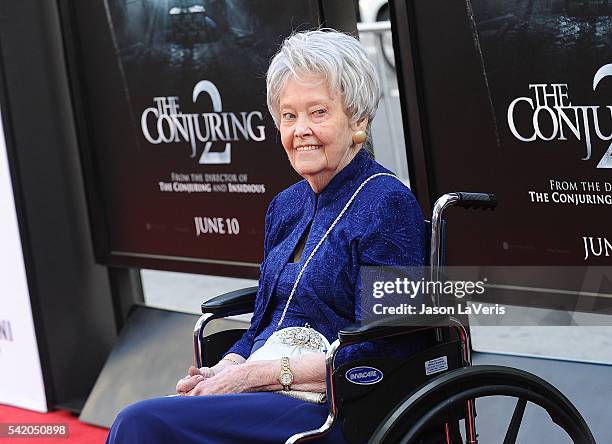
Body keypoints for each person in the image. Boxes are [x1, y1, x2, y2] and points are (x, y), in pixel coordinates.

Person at [107, 29, 427, 444]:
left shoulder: (388, 204)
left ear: (358, 119)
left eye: (318, 112)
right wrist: (228, 366)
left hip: (337, 405)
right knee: (162, 415)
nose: (301, 130)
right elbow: (266, 320)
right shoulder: (286, 206)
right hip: (268, 386)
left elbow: (387, 346)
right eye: (289, 116)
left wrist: (254, 375)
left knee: (142, 424)